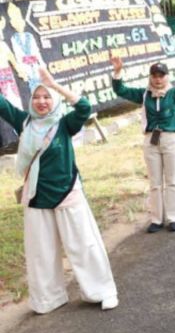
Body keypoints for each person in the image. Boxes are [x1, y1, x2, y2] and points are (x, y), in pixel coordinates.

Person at [0, 68, 118, 313]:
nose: (42, 102)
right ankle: (48, 298)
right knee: (41, 252)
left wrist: (54, 85)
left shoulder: (64, 124)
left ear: (53, 100)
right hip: (37, 196)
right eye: (37, 97)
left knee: (83, 245)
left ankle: (102, 291)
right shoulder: (24, 122)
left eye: (46, 97)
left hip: (67, 191)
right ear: (30, 101)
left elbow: (84, 108)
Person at [111, 56, 175, 233]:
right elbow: (120, 90)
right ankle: (156, 219)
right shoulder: (144, 94)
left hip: (170, 138)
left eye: (161, 75)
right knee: (155, 182)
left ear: (167, 76)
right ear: (150, 77)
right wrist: (118, 71)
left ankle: (174, 218)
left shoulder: (174, 93)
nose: (158, 79)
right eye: (155, 75)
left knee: (172, 179)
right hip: (151, 140)